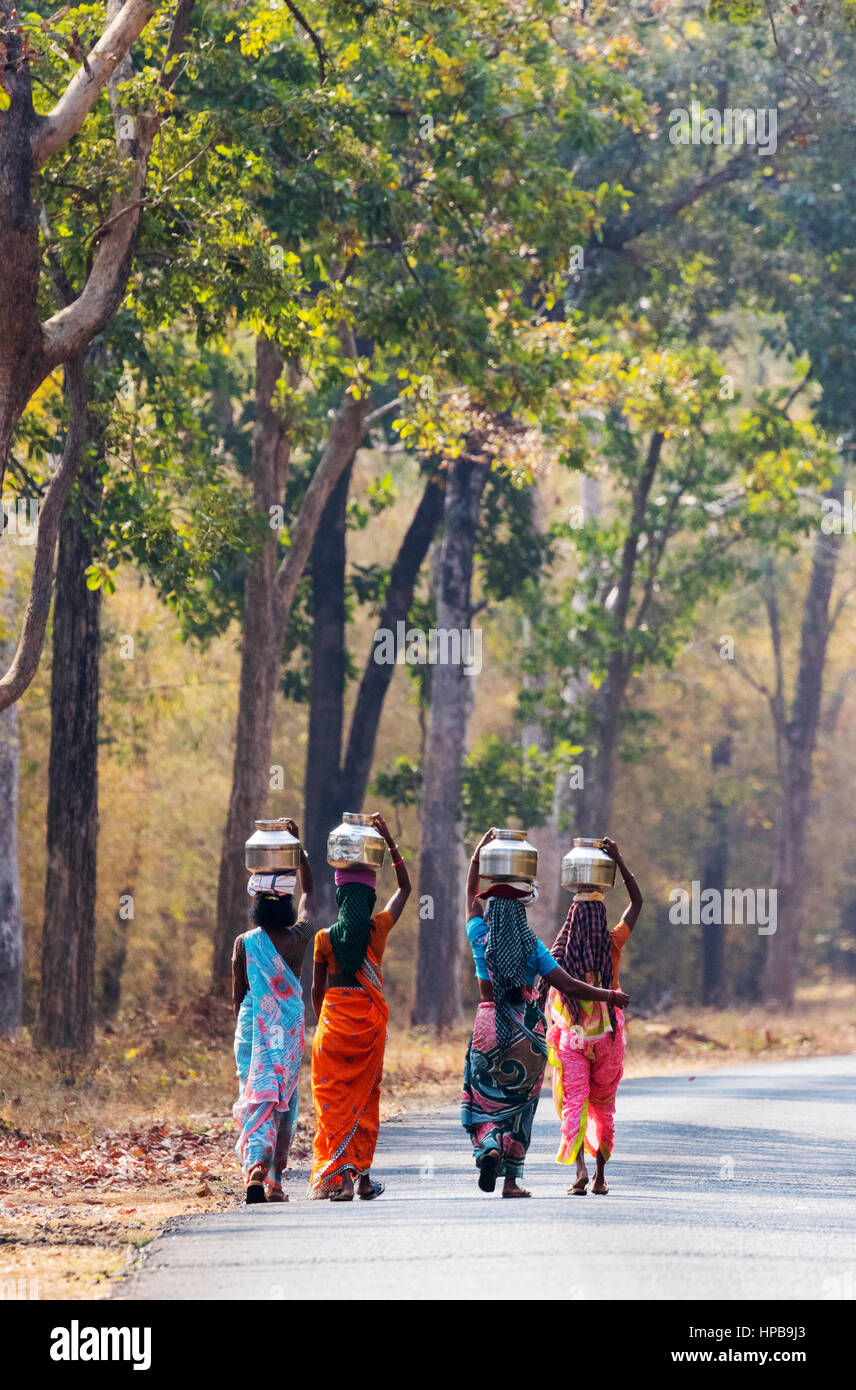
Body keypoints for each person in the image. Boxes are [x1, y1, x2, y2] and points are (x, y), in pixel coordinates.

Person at [461, 828, 630, 1198]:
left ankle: (489, 1145)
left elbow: (471, 900)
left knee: (486, 1099)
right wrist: (610, 996)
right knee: (521, 1109)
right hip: (526, 1032)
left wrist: (479, 855)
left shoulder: (478, 934)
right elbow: (568, 985)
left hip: (488, 1024)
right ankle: (510, 1181)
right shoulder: (533, 946)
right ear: (522, 910)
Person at [308, 812, 410, 1201]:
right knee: (366, 1099)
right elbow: (405, 888)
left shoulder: (323, 939)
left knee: (334, 1103)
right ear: (368, 900)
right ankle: (363, 1177)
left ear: (339, 898)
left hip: (333, 1028)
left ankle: (340, 1180)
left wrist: (326, 1026)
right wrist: (390, 843)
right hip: (368, 1030)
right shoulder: (378, 930)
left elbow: (317, 993)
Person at [546, 835, 642, 1196]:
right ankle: (601, 1175)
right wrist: (617, 859)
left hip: (572, 1033)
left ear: (571, 919)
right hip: (608, 1035)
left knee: (574, 1100)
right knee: (602, 1104)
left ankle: (580, 1170)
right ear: (601, 918)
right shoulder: (612, 943)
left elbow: (546, 982)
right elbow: (637, 901)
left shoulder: (560, 954)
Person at [232, 819, 316, 1204]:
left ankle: (254, 1166)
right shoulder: (299, 937)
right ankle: (276, 1181)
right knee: (285, 1100)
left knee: (256, 1096)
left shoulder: (244, 943)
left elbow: (239, 997)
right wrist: (297, 849)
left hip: (252, 1029)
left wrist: (251, 1032)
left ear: (256, 907)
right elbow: (311, 893)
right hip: (288, 1030)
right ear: (286, 904)